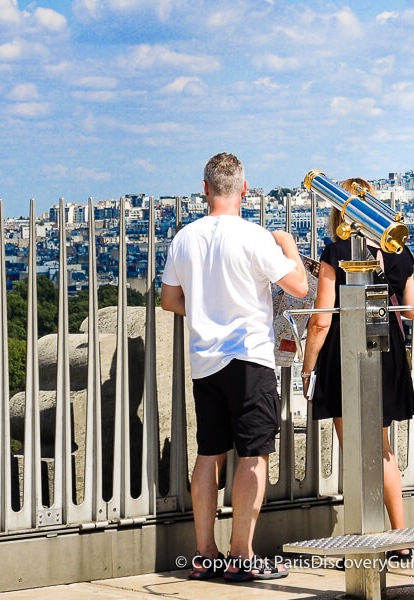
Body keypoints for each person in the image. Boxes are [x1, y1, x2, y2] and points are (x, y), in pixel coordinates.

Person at [161, 153, 308, 581]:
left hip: (205, 361)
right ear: (244, 189)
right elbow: (298, 286)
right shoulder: (255, 236)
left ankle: (205, 555)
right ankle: (241, 555)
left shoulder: (184, 239)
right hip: (249, 358)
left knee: (209, 453)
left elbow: (170, 301)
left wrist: (206, 312)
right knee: (254, 455)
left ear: (204, 188)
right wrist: (290, 247)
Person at [301, 178, 414, 555]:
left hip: (345, 351)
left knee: (353, 446)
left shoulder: (336, 251)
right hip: (387, 347)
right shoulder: (400, 252)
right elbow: (413, 309)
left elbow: (320, 319)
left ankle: (363, 537)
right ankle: (400, 537)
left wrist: (307, 369)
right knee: (382, 448)